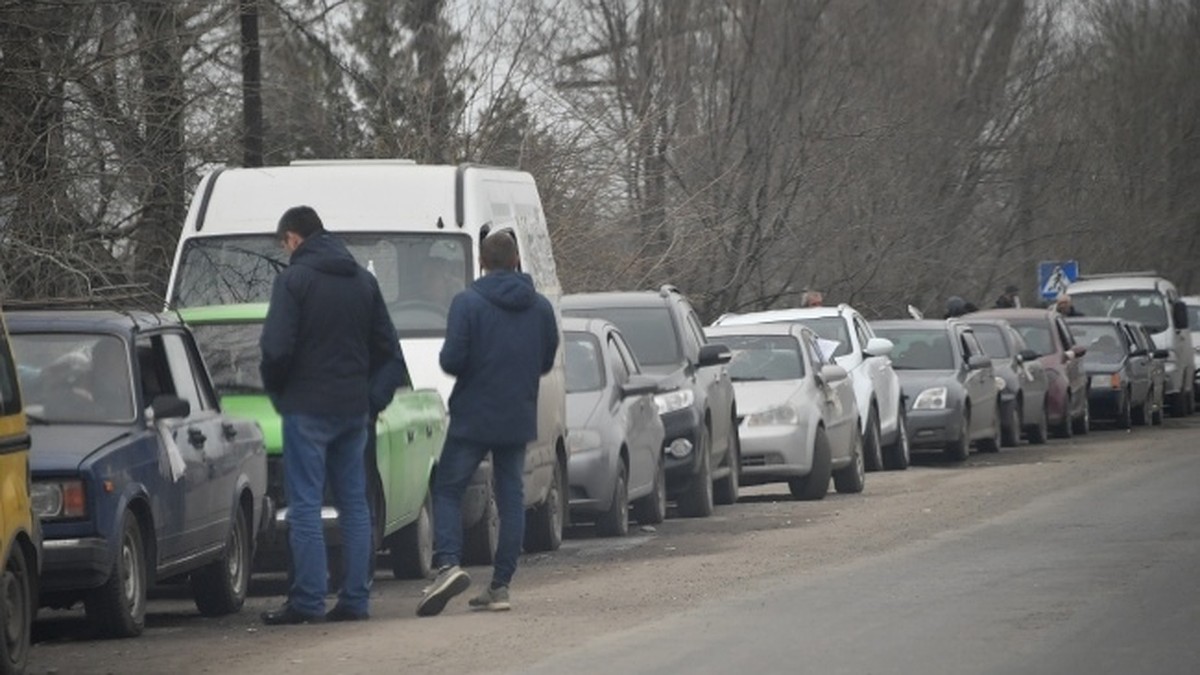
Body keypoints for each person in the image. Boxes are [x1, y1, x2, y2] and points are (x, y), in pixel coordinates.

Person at [259, 206, 402, 625]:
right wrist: (371, 400)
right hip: (353, 410)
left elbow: (275, 349)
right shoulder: (364, 282)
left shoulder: (293, 282)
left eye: (284, 243)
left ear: (293, 239)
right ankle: (355, 600)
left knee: (304, 505)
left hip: (306, 408)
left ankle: (307, 600)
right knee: (355, 505)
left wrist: (280, 392)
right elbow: (390, 354)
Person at [416, 229, 558, 617]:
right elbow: (546, 361)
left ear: (482, 262)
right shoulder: (541, 308)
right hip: (517, 413)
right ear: (515, 261)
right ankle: (500, 586)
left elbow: (450, 361)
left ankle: (447, 565)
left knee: (448, 488)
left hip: (473, 414)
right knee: (511, 496)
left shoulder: (467, 303)